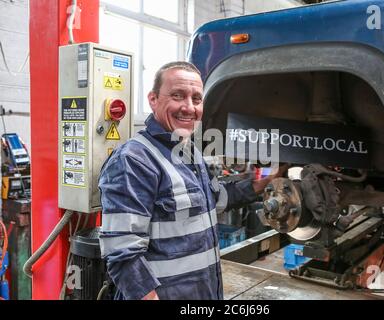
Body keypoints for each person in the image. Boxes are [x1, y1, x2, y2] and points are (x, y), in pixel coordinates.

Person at [98, 61, 287, 300]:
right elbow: (122, 252)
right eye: (178, 96)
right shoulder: (134, 160)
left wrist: (262, 183)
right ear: (153, 99)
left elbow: (214, 198)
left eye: (196, 99)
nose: (189, 107)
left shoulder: (189, 152)